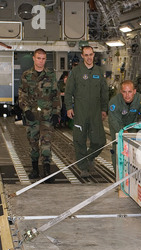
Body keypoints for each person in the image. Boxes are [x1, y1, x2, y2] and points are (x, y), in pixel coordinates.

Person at [65, 46, 108, 178]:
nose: (89, 57)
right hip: (80, 112)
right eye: (86, 55)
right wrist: (69, 107)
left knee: (100, 141)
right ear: (82, 56)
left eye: (91, 55)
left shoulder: (99, 72)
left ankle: (89, 157)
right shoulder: (76, 72)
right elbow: (68, 92)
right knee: (79, 140)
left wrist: (104, 109)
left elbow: (104, 92)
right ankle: (83, 167)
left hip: (95, 112)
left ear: (94, 55)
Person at [18, 48, 61, 183]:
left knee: (46, 144)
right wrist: (26, 110)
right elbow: (22, 94)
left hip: (47, 116)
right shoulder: (27, 75)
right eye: (38, 58)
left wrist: (56, 112)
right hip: (32, 116)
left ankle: (47, 171)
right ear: (34, 58)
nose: (41, 61)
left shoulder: (50, 74)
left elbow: (56, 94)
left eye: (43, 59)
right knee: (33, 144)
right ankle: (35, 169)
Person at [108, 80, 141, 172]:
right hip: (117, 126)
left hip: (131, 126)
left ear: (134, 91)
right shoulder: (114, 102)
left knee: (132, 149)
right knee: (118, 148)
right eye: (124, 92)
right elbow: (114, 120)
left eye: (130, 92)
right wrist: (123, 132)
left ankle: (130, 173)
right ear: (121, 92)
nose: (127, 95)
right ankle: (118, 176)